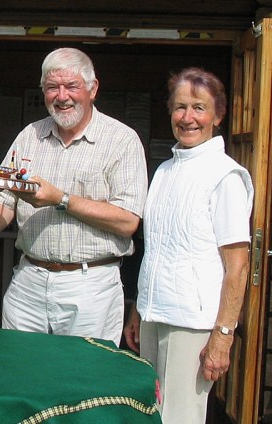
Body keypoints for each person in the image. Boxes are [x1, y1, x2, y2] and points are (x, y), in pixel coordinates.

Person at [0, 47, 148, 346]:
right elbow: (4, 202)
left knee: (82, 382)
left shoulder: (121, 140)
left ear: (92, 89)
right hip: (29, 279)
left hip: (90, 285)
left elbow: (128, 222)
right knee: (19, 375)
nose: (62, 96)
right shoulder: (29, 136)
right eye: (51, 88)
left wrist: (61, 199)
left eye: (72, 86)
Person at [123, 67, 254, 423]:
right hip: (154, 316)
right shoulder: (165, 171)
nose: (188, 117)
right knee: (150, 413)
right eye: (180, 107)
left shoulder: (225, 177)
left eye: (199, 107)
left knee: (179, 417)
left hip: (192, 324)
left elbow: (237, 267)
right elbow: (157, 250)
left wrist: (222, 336)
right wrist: (138, 309)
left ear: (218, 115)